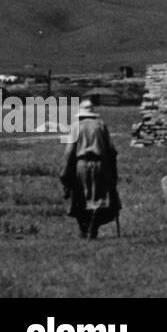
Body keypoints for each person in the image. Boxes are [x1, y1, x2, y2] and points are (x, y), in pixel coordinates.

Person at [59, 96, 121, 239]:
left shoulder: (76, 127)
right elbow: (112, 151)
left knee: (80, 196)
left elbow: (69, 152)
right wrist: (113, 172)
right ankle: (93, 228)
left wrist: (65, 173)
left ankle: (85, 228)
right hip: (101, 164)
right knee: (99, 197)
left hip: (81, 165)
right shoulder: (101, 125)